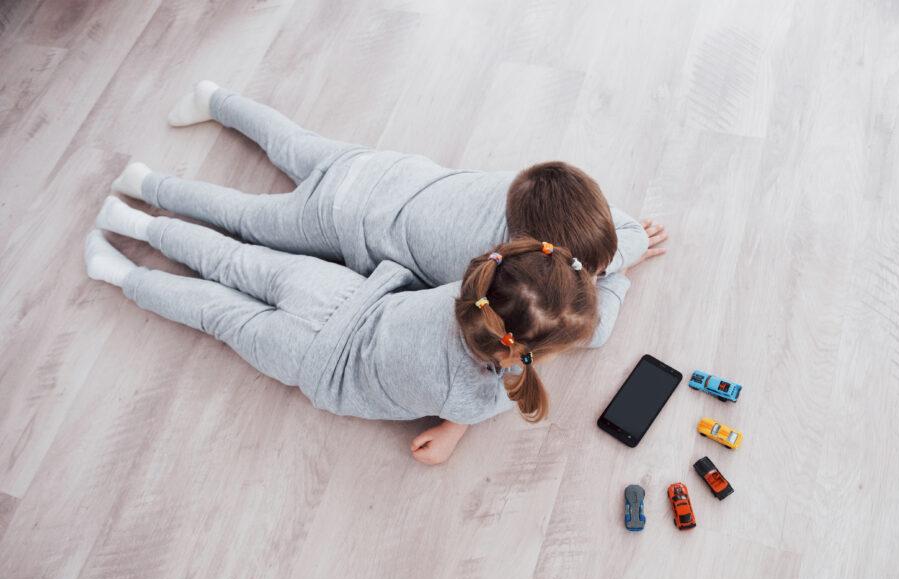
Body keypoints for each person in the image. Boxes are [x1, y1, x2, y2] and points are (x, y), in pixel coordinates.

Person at [110, 81, 668, 347]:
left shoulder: (532, 192)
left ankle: (216, 99)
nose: (594, 276)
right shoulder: (500, 272)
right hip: (339, 220)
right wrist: (622, 276)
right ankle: (149, 185)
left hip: (381, 170)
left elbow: (621, 231)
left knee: (294, 143)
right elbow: (592, 332)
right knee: (249, 219)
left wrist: (624, 252)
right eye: (590, 272)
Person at [84, 197, 599, 465]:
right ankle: (120, 273)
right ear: (527, 354)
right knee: (216, 312)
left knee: (234, 260)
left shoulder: (470, 285)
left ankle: (135, 222)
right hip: (314, 361)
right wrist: (448, 435)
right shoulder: (481, 398)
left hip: (339, 294)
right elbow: (462, 409)